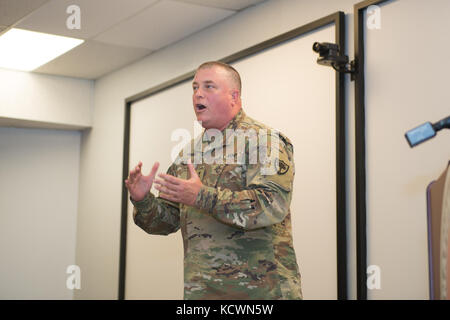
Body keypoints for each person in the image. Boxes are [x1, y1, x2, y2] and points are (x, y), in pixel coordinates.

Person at [125, 61, 302, 300]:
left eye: (209, 87)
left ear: (234, 96)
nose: (198, 93)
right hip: (202, 294)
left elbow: (269, 205)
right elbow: (166, 222)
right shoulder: (188, 154)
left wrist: (202, 196)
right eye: (195, 87)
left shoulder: (264, 142)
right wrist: (143, 200)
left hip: (261, 293)